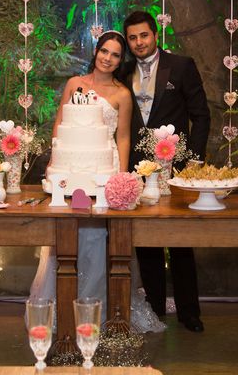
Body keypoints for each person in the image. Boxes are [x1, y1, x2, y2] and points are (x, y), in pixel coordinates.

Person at [31, 30, 166, 332]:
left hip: (104, 169)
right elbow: (60, 123)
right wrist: (56, 159)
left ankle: (99, 311)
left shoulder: (121, 94)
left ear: (121, 60)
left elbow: (123, 137)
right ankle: (59, 311)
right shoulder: (74, 84)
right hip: (70, 168)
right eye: (104, 51)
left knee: (98, 239)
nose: (108, 58)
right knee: (65, 236)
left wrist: (119, 176)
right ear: (96, 51)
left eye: (116, 54)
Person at [122, 11, 211, 332]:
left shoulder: (182, 66)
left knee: (180, 240)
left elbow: (201, 116)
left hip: (175, 168)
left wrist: (194, 161)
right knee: (145, 242)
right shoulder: (124, 71)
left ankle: (190, 313)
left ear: (154, 35)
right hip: (137, 168)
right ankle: (155, 308)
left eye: (143, 35)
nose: (138, 43)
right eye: (132, 38)